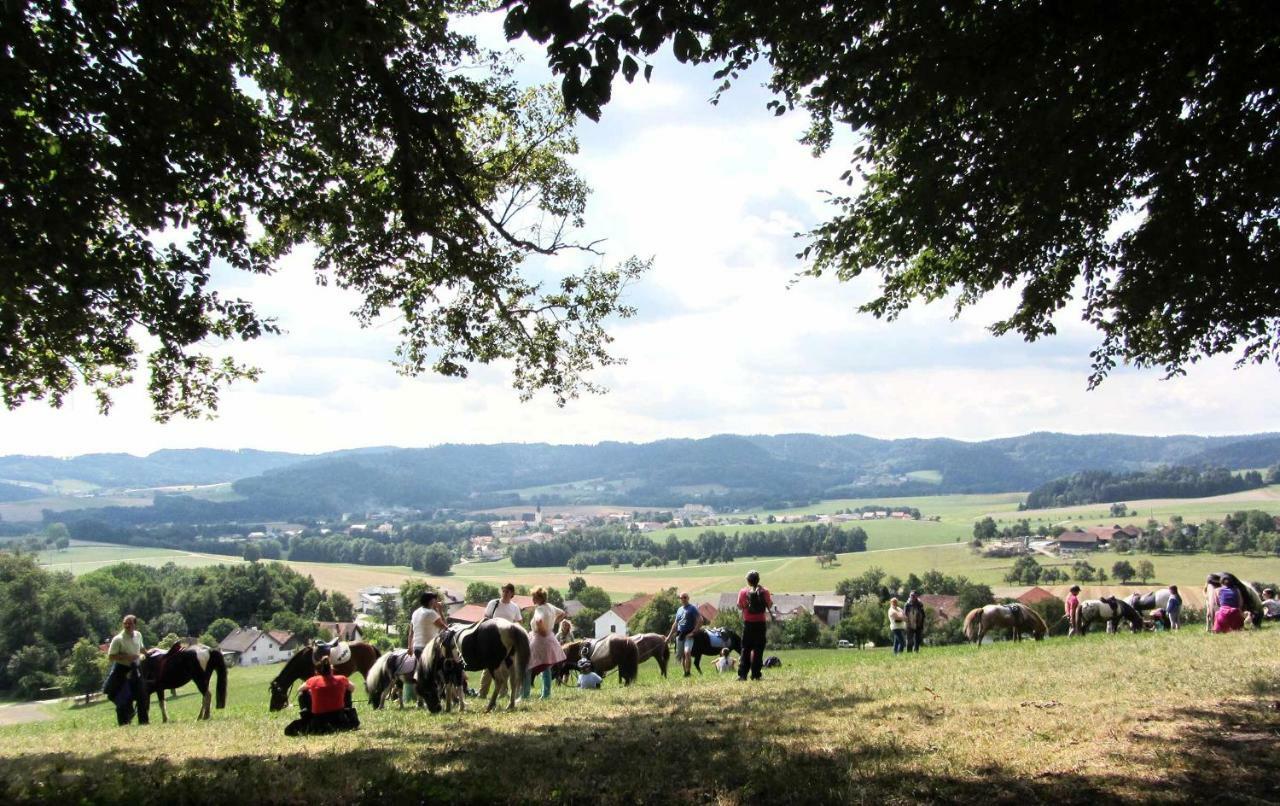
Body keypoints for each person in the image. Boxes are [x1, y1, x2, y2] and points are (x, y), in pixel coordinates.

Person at [284, 656, 359, 736]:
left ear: (317, 672)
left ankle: (307, 716)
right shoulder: (341, 678)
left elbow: (299, 690)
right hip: (339, 719)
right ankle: (348, 711)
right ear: (332, 669)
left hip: (319, 722)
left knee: (303, 693)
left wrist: (311, 692)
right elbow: (352, 688)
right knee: (347, 690)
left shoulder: (313, 680)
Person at [478, 583, 523, 698]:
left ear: (512, 594)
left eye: (507, 591)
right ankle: (482, 693)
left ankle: (503, 693)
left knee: (505, 668)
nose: (505, 593)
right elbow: (485, 619)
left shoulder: (514, 607)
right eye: (503, 590)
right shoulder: (493, 603)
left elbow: (519, 622)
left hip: (506, 642)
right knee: (488, 668)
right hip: (492, 640)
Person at [103, 614, 148, 726]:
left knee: (142, 696)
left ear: (135, 624)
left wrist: (147, 654)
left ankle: (144, 722)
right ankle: (124, 724)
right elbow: (111, 656)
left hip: (136, 668)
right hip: (122, 671)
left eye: (130, 623)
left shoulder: (138, 635)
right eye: (125, 623)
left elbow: (141, 648)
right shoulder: (118, 639)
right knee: (122, 698)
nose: (127, 625)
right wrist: (127, 657)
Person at [404, 590, 447, 705]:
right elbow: (444, 627)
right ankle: (440, 697)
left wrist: (409, 646)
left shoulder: (416, 612)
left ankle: (420, 699)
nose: (436, 602)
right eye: (435, 600)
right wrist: (440, 611)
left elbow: (411, 632)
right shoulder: (431, 613)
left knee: (422, 673)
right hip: (430, 647)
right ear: (431, 601)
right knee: (439, 672)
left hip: (417, 647)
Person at [525, 587, 566, 700]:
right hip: (550, 638)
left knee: (527, 666)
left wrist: (542, 631)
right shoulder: (550, 607)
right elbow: (562, 613)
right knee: (546, 667)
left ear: (539, 597)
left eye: (534, 596)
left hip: (539, 639)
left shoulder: (540, 609)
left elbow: (538, 621)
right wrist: (553, 623)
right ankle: (546, 695)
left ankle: (524, 695)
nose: (532, 598)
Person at [737, 570, 773, 681]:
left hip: (748, 624)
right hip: (760, 624)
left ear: (748, 581)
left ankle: (742, 675)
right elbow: (770, 605)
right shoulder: (765, 591)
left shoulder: (743, 592)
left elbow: (739, 606)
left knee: (745, 649)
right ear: (758, 579)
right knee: (758, 649)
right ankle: (756, 674)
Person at [664, 591, 703, 677]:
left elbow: (700, 620)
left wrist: (693, 632)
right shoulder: (679, 610)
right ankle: (685, 672)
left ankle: (688, 672)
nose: (683, 599)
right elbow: (675, 624)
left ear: (688, 598)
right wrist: (669, 636)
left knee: (687, 652)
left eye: (685, 597)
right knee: (682, 655)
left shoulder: (692, 608)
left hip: (689, 634)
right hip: (680, 635)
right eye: (681, 598)